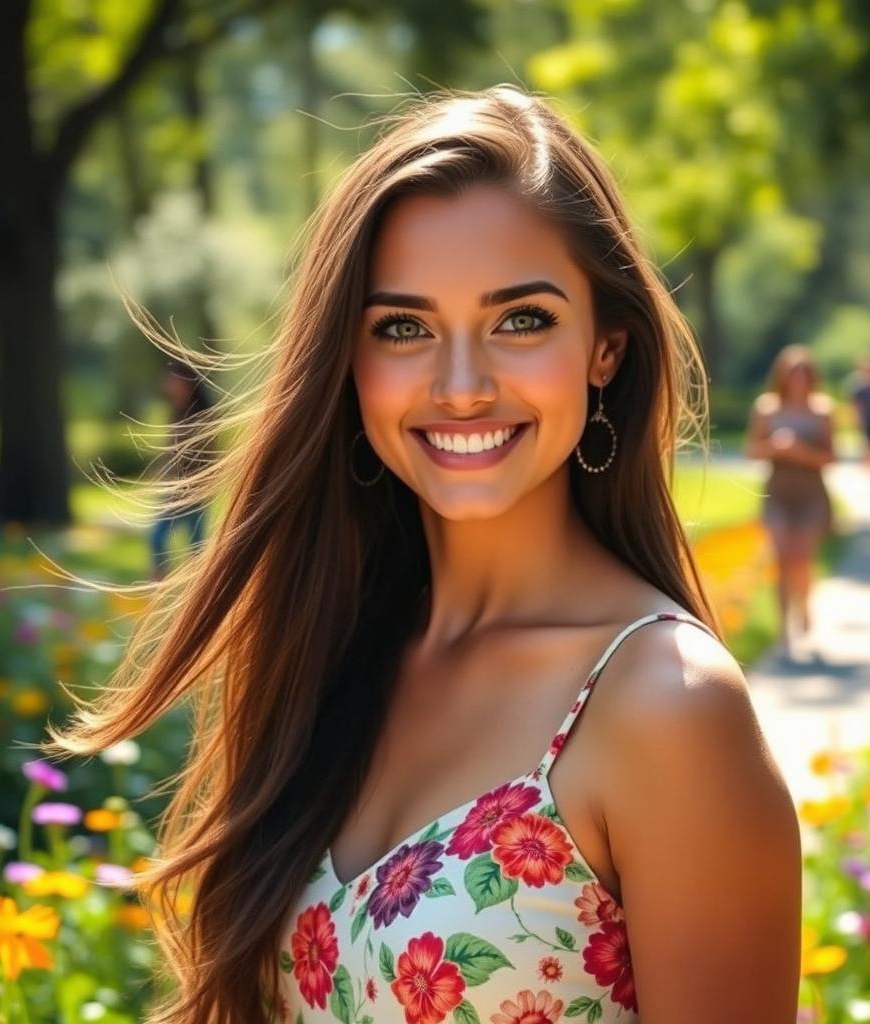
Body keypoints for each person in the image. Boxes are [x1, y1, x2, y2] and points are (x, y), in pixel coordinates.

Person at [42, 85, 802, 1024]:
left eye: (521, 320)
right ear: (350, 362)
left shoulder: (667, 707)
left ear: (605, 348)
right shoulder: (329, 656)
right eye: (403, 328)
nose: (461, 386)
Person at [745, 344, 836, 657]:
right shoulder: (766, 408)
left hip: (811, 494)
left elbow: (830, 457)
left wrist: (801, 452)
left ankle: (805, 603)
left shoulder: (822, 410)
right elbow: (752, 451)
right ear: (782, 376)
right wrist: (775, 447)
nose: (798, 380)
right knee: (783, 558)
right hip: (778, 493)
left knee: (802, 558)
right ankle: (785, 626)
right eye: (793, 374)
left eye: (803, 374)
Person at [150, 361, 214, 580]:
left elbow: (208, 458)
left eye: (172, 379)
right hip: (176, 491)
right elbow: (171, 454)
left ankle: (196, 589)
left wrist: (195, 487)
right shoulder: (176, 413)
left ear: (186, 383)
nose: (167, 384)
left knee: (195, 547)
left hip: (194, 492)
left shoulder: (201, 417)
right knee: (161, 538)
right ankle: (159, 585)